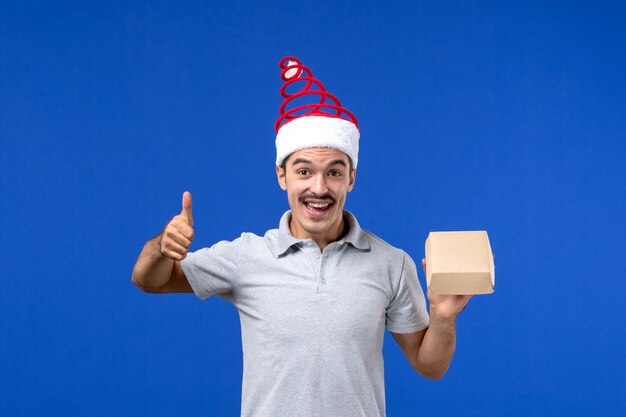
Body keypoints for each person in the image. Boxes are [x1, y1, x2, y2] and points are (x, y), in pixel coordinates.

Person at [131, 57, 473, 417]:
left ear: (351, 179)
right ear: (282, 176)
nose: (319, 188)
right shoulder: (246, 256)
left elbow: (430, 366)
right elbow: (151, 281)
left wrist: (443, 315)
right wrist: (161, 249)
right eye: (304, 171)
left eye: (334, 173)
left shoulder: (391, 263)